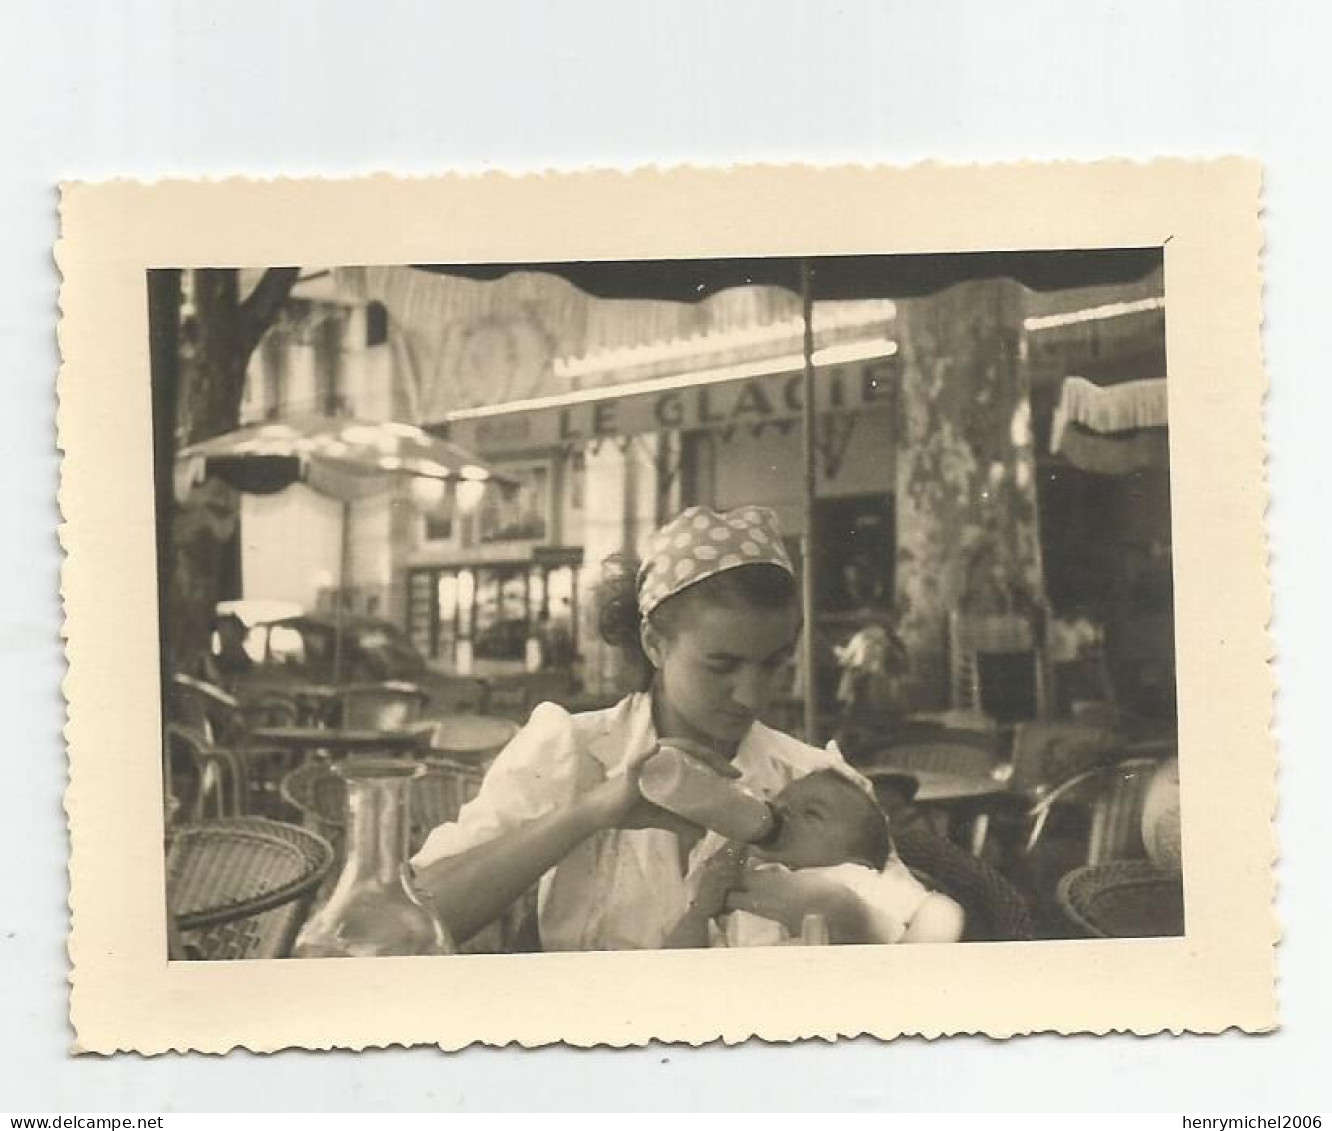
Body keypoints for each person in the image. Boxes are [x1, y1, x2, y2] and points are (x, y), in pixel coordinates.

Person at [412, 504, 965, 951]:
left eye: (774, 663)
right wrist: (593, 811)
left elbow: (925, 924)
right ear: (654, 643)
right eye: (721, 666)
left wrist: (853, 918)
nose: (752, 696)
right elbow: (413, 925)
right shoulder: (569, 750)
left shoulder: (816, 784)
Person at [663, 769, 962, 947]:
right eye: (778, 804)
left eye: (812, 813)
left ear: (861, 858)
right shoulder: (737, 882)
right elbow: (675, 966)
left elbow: (941, 912)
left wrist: (903, 952)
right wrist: (700, 912)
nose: (784, 812)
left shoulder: (856, 878)